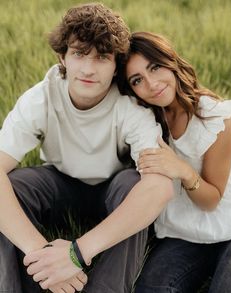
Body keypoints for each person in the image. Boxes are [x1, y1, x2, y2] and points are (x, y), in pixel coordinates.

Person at [0, 5, 174, 293]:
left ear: (117, 64)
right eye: (80, 53)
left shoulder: (129, 107)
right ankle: (29, 284)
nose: (89, 69)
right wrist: (42, 256)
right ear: (63, 57)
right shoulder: (40, 99)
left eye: (102, 57)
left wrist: (76, 254)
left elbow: (160, 189)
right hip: (59, 180)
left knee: (137, 188)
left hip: (112, 189)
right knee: (13, 186)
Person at [117, 31, 231, 293]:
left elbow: (212, 200)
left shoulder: (216, 119)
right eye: (137, 80)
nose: (151, 83)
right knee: (152, 288)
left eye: (155, 67)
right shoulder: (143, 121)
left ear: (170, 61)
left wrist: (182, 169)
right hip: (182, 232)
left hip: (230, 224)